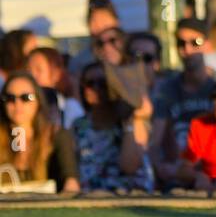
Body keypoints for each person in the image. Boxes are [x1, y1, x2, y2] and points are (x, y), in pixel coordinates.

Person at [149, 19, 216, 186]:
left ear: (208, 45)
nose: (187, 49)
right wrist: (160, 167)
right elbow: (155, 142)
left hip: (214, 170)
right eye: (181, 43)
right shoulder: (167, 89)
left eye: (195, 42)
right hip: (177, 172)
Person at [71, 62, 155, 193]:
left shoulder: (132, 119)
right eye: (90, 83)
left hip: (128, 195)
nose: (96, 88)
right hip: (88, 198)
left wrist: (131, 122)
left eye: (103, 83)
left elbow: (130, 166)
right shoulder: (78, 126)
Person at [0, 71, 79, 192]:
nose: (17, 104)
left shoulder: (57, 135)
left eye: (26, 97)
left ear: (38, 101)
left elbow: (71, 183)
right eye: (10, 98)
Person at [26, 43, 84, 130]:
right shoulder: (23, 104)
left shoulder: (68, 107)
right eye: (29, 70)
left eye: (39, 70)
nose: (32, 75)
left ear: (56, 73)